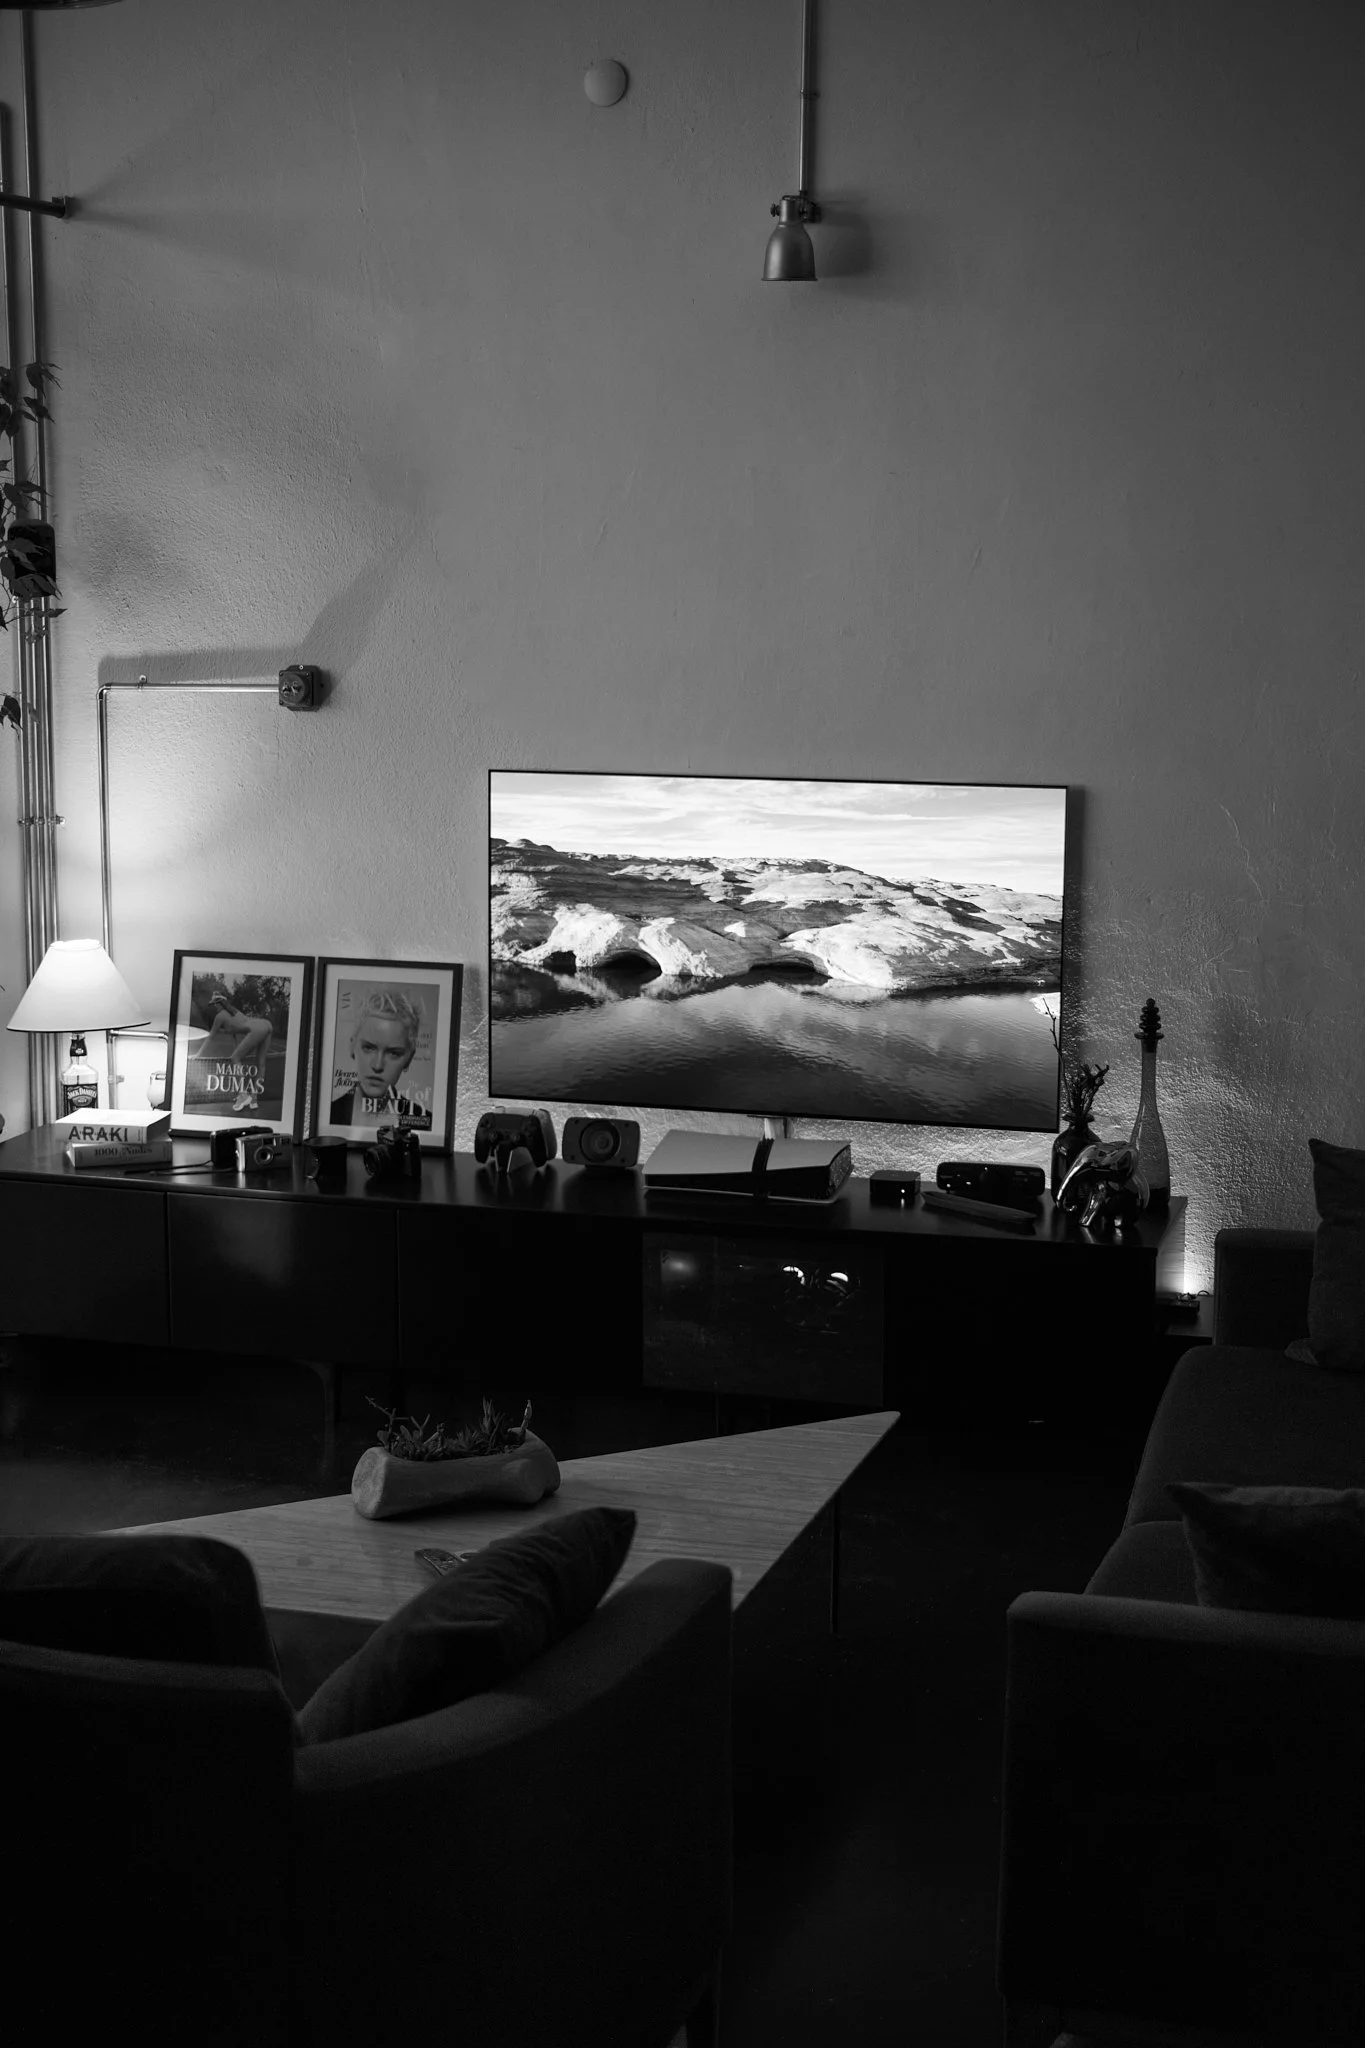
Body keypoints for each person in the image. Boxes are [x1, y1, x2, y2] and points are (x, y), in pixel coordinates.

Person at [331, 988, 431, 1128]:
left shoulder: (427, 1124)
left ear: (409, 1058)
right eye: (369, 1048)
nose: (377, 1065)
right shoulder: (330, 1116)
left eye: (393, 1053)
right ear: (352, 1047)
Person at [192, 986, 273, 1114]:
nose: (214, 1007)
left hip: (258, 1029)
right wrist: (237, 1052)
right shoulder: (234, 1012)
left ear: (219, 1003)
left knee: (234, 1058)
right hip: (267, 1024)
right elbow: (235, 1035)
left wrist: (198, 1054)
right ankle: (253, 1100)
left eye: (215, 1004)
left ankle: (243, 1095)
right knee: (260, 1063)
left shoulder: (220, 1016)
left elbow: (209, 1038)